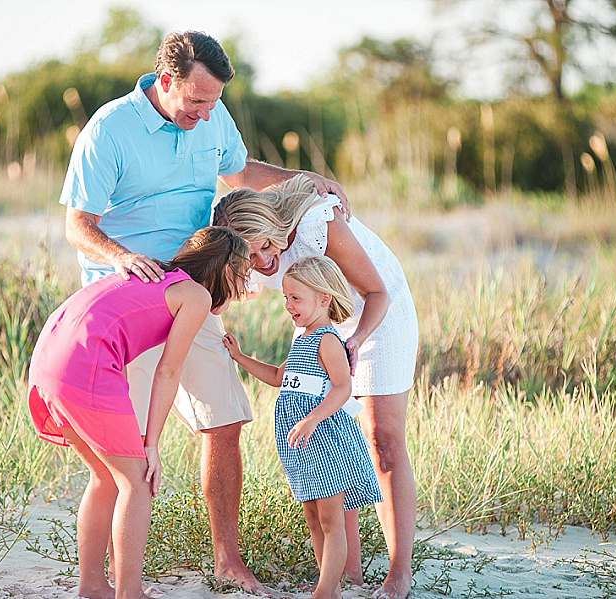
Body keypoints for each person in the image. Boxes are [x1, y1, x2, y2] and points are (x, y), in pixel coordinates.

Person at [59, 30, 348, 591]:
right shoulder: (109, 129)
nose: (205, 112)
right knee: (129, 455)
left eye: (214, 101)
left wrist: (302, 180)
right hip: (128, 302)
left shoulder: (212, 118)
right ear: (164, 81)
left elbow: (240, 172)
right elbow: (77, 223)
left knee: (225, 419)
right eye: (195, 100)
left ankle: (226, 559)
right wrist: (121, 257)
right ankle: (107, 583)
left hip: (197, 294)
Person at [213, 174, 418, 599]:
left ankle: (399, 574)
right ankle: (346, 576)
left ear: (274, 225)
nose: (265, 263)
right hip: (313, 320)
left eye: (268, 247)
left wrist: (354, 342)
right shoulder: (247, 255)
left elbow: (376, 291)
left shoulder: (314, 225)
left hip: (375, 314)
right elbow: (235, 169)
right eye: (251, 258)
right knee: (326, 449)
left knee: (382, 437)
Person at [27, 227, 250, 599]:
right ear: (226, 271)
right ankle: (130, 593)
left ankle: (93, 587)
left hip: (47, 365)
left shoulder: (154, 274)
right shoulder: (194, 295)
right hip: (86, 367)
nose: (245, 288)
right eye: (243, 276)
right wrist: (152, 444)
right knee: (138, 481)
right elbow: (168, 371)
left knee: (106, 477)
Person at [223, 255, 382, 599]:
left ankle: (326, 590)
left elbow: (342, 387)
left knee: (331, 520)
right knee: (313, 519)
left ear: (324, 298)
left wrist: (310, 420)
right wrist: (240, 358)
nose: (288, 305)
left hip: (325, 442)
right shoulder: (303, 337)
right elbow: (280, 377)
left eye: (296, 298)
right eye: (285, 297)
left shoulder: (327, 338)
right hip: (302, 446)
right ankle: (330, 586)